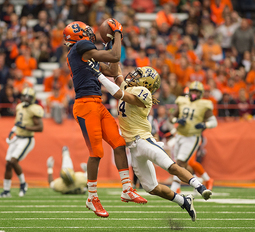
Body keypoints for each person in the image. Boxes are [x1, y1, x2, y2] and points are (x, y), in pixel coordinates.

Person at [86, 62, 212, 222]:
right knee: (152, 188)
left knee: (172, 166)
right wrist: (112, 47)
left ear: (146, 83)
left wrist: (98, 74)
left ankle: (200, 187)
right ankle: (183, 201)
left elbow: (118, 94)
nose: (133, 75)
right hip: (133, 147)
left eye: (139, 75)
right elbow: (117, 74)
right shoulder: (130, 86)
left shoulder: (144, 92)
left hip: (144, 141)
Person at [63, 19, 147, 218]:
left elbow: (112, 68)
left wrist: (110, 43)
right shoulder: (81, 48)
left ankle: (127, 188)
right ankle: (91, 197)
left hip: (97, 104)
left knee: (118, 143)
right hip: (85, 106)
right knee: (96, 153)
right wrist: (117, 33)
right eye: (87, 31)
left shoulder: (84, 54)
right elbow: (115, 56)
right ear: (79, 36)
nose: (91, 34)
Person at [168, 81, 218, 194]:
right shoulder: (182, 101)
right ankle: (198, 182)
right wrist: (177, 120)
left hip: (192, 137)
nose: (194, 93)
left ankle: (174, 189)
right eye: (193, 91)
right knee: (178, 164)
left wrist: (205, 125)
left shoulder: (203, 105)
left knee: (181, 162)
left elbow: (213, 121)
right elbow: (171, 116)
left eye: (196, 91)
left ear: (200, 93)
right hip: (180, 135)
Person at [0, 87, 44, 197]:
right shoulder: (19, 107)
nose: (26, 98)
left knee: (13, 161)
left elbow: (40, 128)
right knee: (8, 164)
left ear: (33, 98)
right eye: (24, 96)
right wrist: (13, 131)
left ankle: (23, 184)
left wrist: (25, 127)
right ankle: (6, 191)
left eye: (29, 97)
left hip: (27, 139)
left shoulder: (34, 109)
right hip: (17, 137)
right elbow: (18, 122)